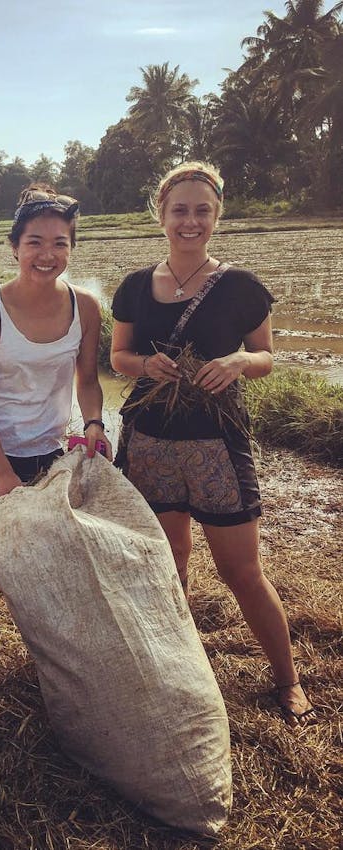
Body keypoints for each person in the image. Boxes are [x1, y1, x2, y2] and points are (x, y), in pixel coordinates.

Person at [109, 161, 314, 725]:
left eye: (202, 210)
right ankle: (177, 665)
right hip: (150, 443)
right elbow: (118, 357)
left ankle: (288, 678)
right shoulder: (133, 287)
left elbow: (266, 356)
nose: (190, 221)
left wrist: (240, 361)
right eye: (180, 210)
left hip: (217, 445)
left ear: (217, 215)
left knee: (242, 571)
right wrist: (143, 364)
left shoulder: (241, 287)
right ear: (161, 214)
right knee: (168, 561)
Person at [0, 185, 112, 665]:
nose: (47, 254)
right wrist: (2, 472)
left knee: (49, 552)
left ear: (71, 249)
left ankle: (51, 654)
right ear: (15, 247)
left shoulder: (86, 307)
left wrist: (95, 422)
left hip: (47, 448)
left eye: (60, 243)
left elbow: (86, 380)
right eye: (35, 242)